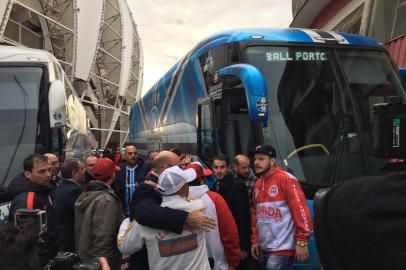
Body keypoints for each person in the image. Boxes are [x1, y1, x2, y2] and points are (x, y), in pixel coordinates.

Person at [127, 150, 216, 270]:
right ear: (164, 167)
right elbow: (144, 212)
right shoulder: (146, 189)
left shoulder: (160, 184)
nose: (181, 170)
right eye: (179, 167)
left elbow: (198, 167)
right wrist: (186, 217)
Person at [250, 145, 313, 270]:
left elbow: (300, 210)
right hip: (264, 249)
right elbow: (255, 215)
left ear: (272, 161)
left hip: (282, 249)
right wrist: (255, 240)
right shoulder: (257, 184)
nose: (256, 162)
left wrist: (302, 241)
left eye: (261, 159)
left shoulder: (286, 179)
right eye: (255, 159)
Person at [187, 161, 241, 270]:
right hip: (216, 263)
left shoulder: (176, 200)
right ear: (202, 180)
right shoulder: (214, 199)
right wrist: (233, 261)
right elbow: (229, 232)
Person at [75, 158, 124, 270]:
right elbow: (103, 235)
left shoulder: (87, 192)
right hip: (101, 262)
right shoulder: (106, 200)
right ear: (112, 175)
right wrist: (102, 263)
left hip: (87, 255)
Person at [212, 154, 251, 268]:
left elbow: (243, 218)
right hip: (221, 241)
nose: (219, 171)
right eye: (216, 167)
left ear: (228, 168)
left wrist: (243, 247)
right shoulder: (215, 185)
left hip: (235, 242)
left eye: (222, 167)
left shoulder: (238, 186)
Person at [52, 159, 85, 252]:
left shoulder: (62, 186)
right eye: (82, 169)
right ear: (74, 173)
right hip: (68, 240)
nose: (84, 171)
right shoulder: (74, 191)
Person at [8, 154, 52, 221]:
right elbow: (27, 230)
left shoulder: (44, 189)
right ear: (28, 174)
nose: (48, 175)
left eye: (49, 170)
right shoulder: (27, 200)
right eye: (42, 172)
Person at [115, 145, 148, 217]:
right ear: (124, 156)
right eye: (130, 154)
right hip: (123, 214)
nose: (133, 155)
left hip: (140, 214)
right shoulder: (119, 170)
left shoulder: (144, 169)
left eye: (135, 153)